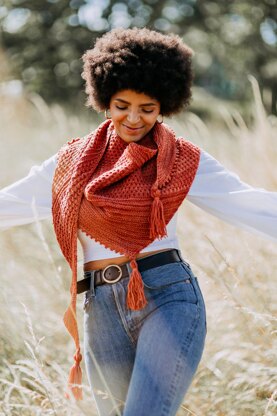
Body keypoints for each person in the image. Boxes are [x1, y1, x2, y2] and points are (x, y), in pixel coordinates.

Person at [0, 27, 276, 416]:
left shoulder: (181, 158)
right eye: (121, 105)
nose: (133, 118)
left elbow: (251, 205)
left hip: (168, 297)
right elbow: (7, 204)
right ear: (103, 99)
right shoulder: (71, 163)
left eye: (147, 109)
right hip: (101, 306)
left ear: (165, 104)